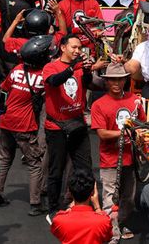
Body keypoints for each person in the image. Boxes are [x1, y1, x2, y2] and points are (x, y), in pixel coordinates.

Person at [43, 34, 103, 217]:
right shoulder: (51, 67)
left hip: (77, 122)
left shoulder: (78, 67)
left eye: (79, 48)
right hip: (57, 127)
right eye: (74, 47)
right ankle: (53, 208)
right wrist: (72, 68)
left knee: (85, 167)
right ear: (62, 47)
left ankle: (83, 203)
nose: (77, 51)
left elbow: (88, 84)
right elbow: (53, 81)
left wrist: (86, 71)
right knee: (56, 169)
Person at [91, 62, 145, 239]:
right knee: (109, 200)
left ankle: (119, 224)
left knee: (128, 200)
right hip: (110, 160)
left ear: (125, 81)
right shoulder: (99, 104)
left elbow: (142, 125)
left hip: (131, 159)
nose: (116, 83)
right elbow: (102, 134)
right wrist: (126, 132)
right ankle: (111, 233)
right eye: (112, 80)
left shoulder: (134, 100)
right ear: (106, 82)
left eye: (119, 80)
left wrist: (140, 136)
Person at [0, 37, 47, 214]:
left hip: (6, 122)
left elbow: (3, 89)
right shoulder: (43, 77)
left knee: (4, 158)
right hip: (25, 126)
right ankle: (35, 203)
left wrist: (1, 109)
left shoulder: (17, 70)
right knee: (35, 164)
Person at [49, 171, 112, 244]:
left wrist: (70, 207)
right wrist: (97, 207)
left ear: (70, 192)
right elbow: (106, 237)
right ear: (93, 192)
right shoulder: (104, 221)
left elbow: (58, 234)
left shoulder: (59, 220)